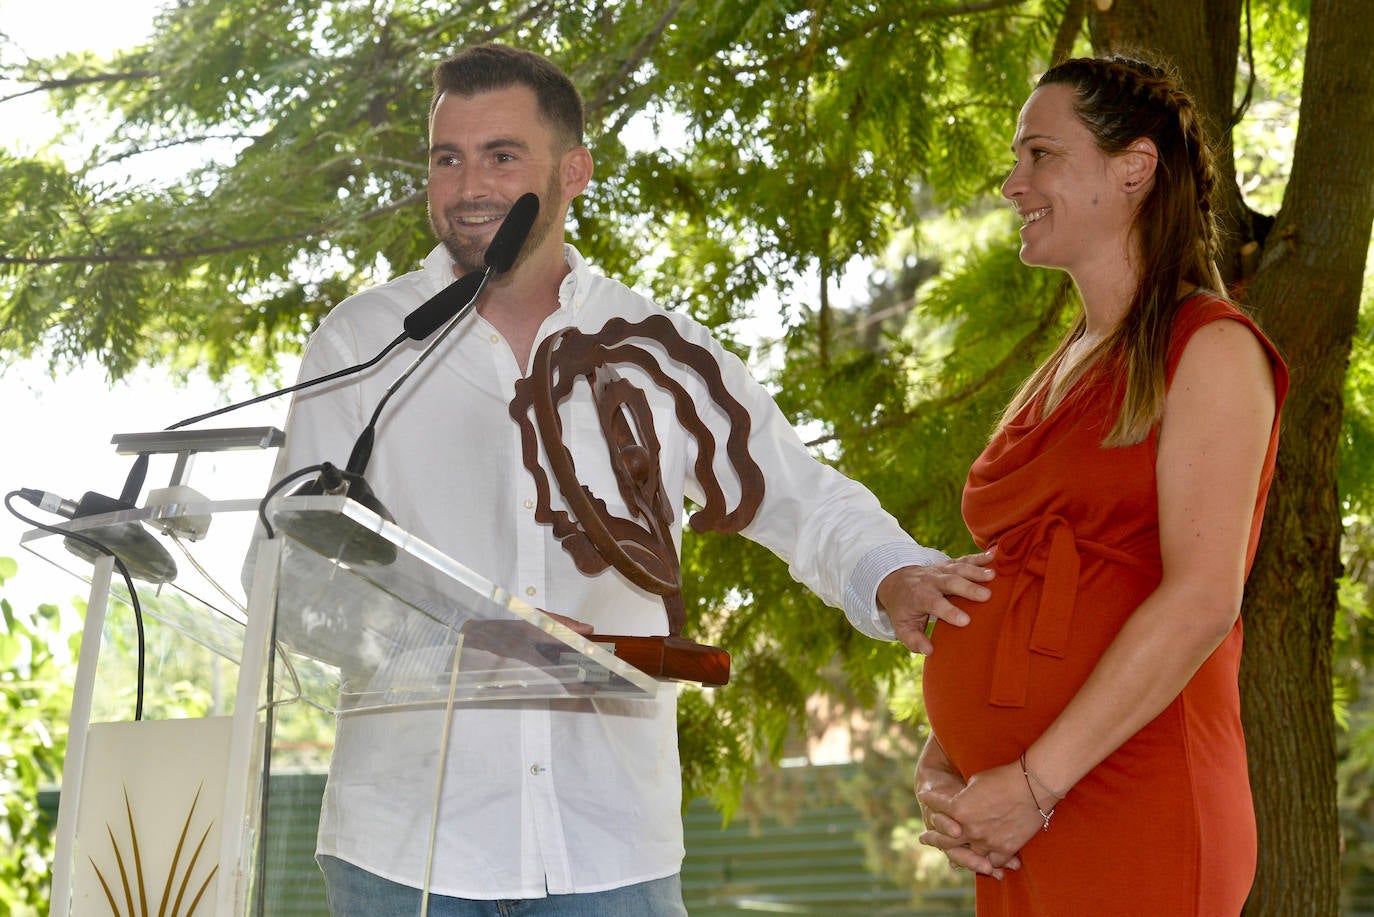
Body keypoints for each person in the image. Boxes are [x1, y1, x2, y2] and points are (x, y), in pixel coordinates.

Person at [269, 42, 994, 916]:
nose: (469, 187)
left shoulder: (656, 348)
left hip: (609, 847)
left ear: (573, 171)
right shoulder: (361, 344)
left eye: (502, 156)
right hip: (401, 852)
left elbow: (799, 494)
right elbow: (289, 576)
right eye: (446, 158)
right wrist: (464, 645)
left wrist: (891, 570)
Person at [914, 54, 1288, 916]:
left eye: (1040, 154)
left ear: (1134, 169)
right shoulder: (1067, 361)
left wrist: (1034, 783)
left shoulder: (1212, 348)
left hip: (1132, 791)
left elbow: (1201, 600)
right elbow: (1027, 580)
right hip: (1022, 810)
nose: (1013, 183)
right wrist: (948, 753)